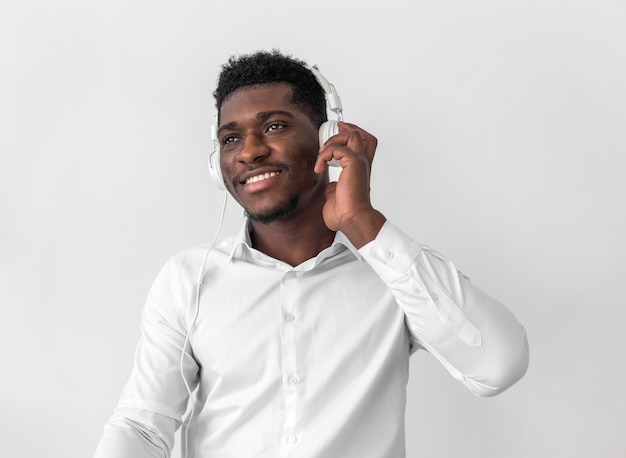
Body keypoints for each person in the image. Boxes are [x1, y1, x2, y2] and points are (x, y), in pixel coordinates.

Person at [94, 49, 529, 458]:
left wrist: (363, 223)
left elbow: (499, 364)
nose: (249, 151)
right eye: (230, 139)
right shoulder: (189, 278)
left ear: (327, 138)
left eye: (274, 127)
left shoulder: (395, 272)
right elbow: (143, 427)